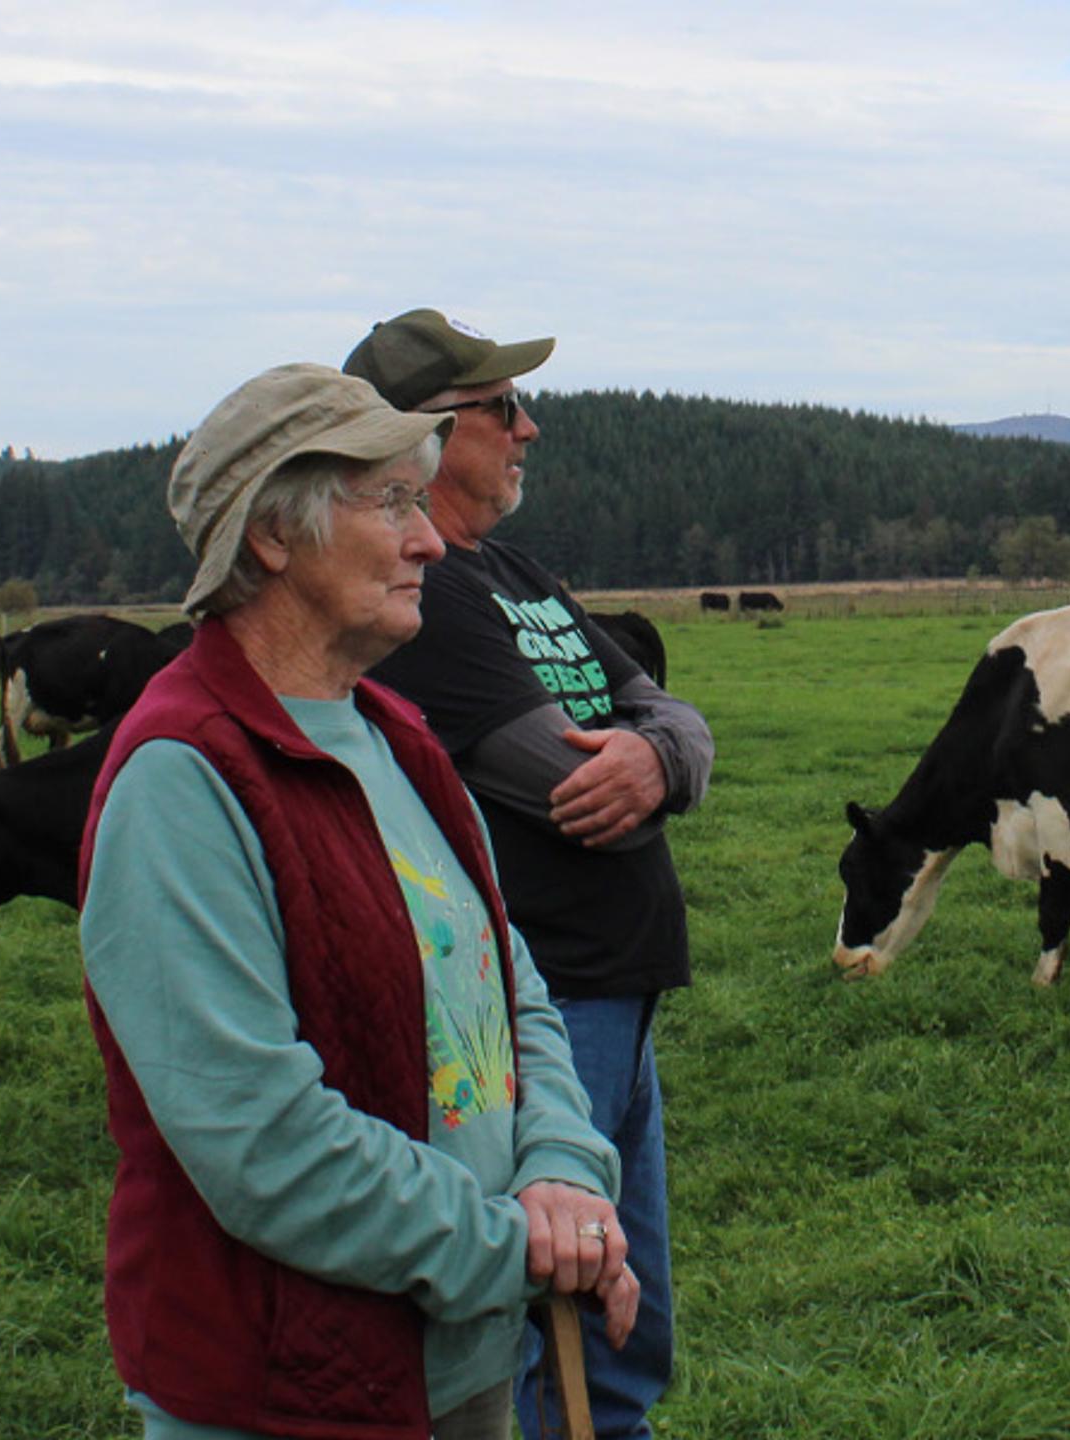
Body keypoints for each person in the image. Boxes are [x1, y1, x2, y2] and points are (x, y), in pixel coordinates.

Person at [79, 363, 641, 1440]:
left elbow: (511, 990)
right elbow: (261, 1138)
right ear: (270, 537)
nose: (428, 539)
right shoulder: (183, 779)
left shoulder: (396, 735)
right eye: (390, 504)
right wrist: (514, 1245)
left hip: (466, 1357)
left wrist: (564, 1176)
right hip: (291, 1390)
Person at [346, 309, 710, 1440]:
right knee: (550, 1313)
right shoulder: (436, 597)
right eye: (505, 408)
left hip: (619, 990)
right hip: (541, 1004)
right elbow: (567, 780)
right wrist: (655, 753)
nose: (529, 429)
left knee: (620, 1326)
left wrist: (665, 751)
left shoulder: (510, 570)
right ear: (430, 433)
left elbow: (660, 707)